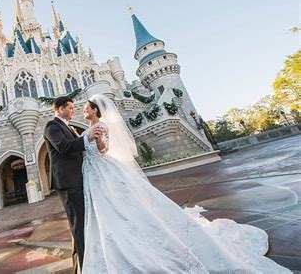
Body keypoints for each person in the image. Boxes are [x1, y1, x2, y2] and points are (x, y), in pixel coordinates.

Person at [80, 94, 291, 273]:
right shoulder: (88, 126)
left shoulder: (101, 126)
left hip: (104, 170)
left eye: (86, 107)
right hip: (96, 175)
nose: (83, 110)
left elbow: (103, 150)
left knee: (125, 209)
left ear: (95, 110)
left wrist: (98, 140)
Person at [43, 96, 102, 274]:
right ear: (61, 109)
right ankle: (86, 267)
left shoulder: (67, 126)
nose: (73, 110)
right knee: (78, 224)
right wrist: (88, 138)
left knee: (81, 222)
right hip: (68, 182)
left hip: (77, 179)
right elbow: (63, 146)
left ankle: (83, 265)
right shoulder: (52, 126)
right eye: (70, 107)